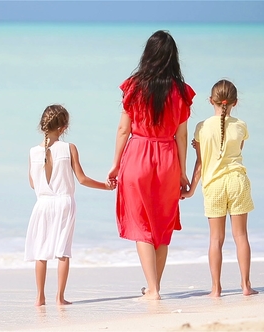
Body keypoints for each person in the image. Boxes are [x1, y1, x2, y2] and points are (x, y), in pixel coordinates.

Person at [107, 30, 195, 300]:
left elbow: (124, 130)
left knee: (142, 225)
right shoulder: (181, 91)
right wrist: (182, 171)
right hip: (167, 157)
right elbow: (181, 135)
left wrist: (115, 165)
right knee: (162, 226)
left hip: (137, 154)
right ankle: (155, 286)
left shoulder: (134, 86)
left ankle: (153, 289)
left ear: (147, 55)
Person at [25, 104, 116, 306]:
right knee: (62, 251)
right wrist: (106, 187)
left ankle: (40, 297)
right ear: (64, 127)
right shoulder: (69, 148)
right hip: (64, 203)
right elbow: (82, 179)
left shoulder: (33, 152)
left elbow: (33, 183)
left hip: (42, 204)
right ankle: (60, 297)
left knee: (41, 251)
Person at [182, 79, 258, 297]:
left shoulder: (202, 128)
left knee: (216, 239)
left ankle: (216, 289)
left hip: (214, 185)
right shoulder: (240, 125)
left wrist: (190, 190)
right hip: (237, 182)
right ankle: (245, 286)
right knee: (241, 236)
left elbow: (200, 163)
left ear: (210, 100)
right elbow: (236, 150)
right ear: (235, 102)